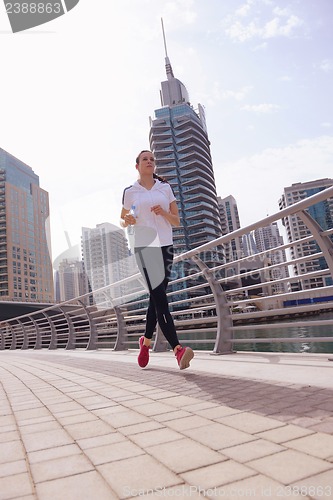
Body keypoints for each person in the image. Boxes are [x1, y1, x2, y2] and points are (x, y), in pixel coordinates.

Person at [120, 150, 194, 370]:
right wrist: (128, 219)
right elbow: (124, 219)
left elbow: (176, 221)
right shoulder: (131, 192)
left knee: (156, 297)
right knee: (161, 298)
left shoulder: (165, 188)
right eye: (145, 159)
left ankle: (146, 341)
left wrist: (163, 212)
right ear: (137, 166)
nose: (150, 162)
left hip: (165, 245)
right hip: (144, 246)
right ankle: (177, 349)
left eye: (152, 159)